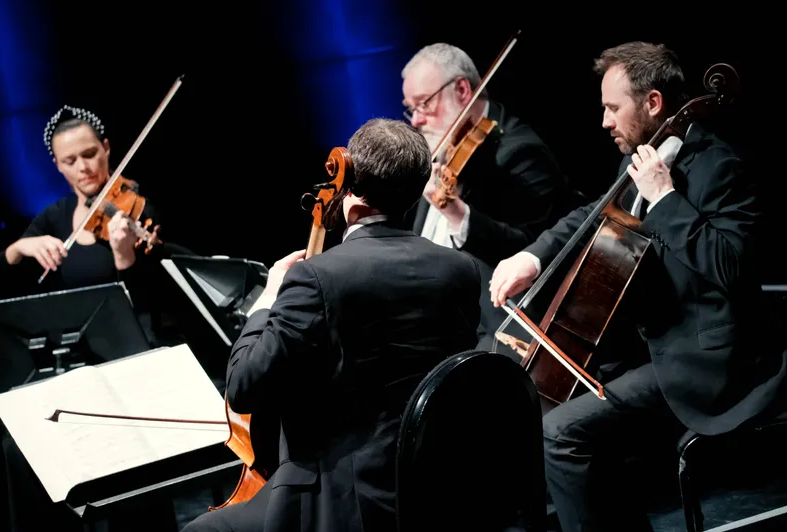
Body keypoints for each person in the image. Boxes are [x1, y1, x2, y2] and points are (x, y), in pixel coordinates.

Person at [489, 41, 787, 531]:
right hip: (651, 348)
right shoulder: (643, 156)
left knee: (561, 432)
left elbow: (733, 267)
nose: (604, 121)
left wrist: (666, 198)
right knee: (530, 403)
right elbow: (595, 212)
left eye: (613, 107)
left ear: (653, 103)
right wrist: (532, 255)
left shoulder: (718, 167)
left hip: (708, 364)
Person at [181, 118, 484, 532]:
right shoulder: (461, 270)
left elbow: (243, 386)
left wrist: (268, 300)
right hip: (433, 487)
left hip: (339, 497)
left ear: (351, 191)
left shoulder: (317, 278)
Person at [0, 105, 181, 532]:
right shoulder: (54, 219)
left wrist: (125, 259)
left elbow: (160, 302)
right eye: (69, 161)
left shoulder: (135, 210)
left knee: (132, 490)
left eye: (90, 154)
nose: (83, 168)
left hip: (129, 368)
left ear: (108, 149)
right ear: (56, 165)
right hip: (72, 373)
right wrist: (19, 249)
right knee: (18, 450)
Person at [400, 42, 582, 351]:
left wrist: (456, 212)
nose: (415, 120)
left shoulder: (519, 153)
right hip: (425, 314)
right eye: (410, 108)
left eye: (424, 104)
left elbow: (529, 249)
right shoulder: (437, 154)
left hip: (488, 328)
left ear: (461, 90)